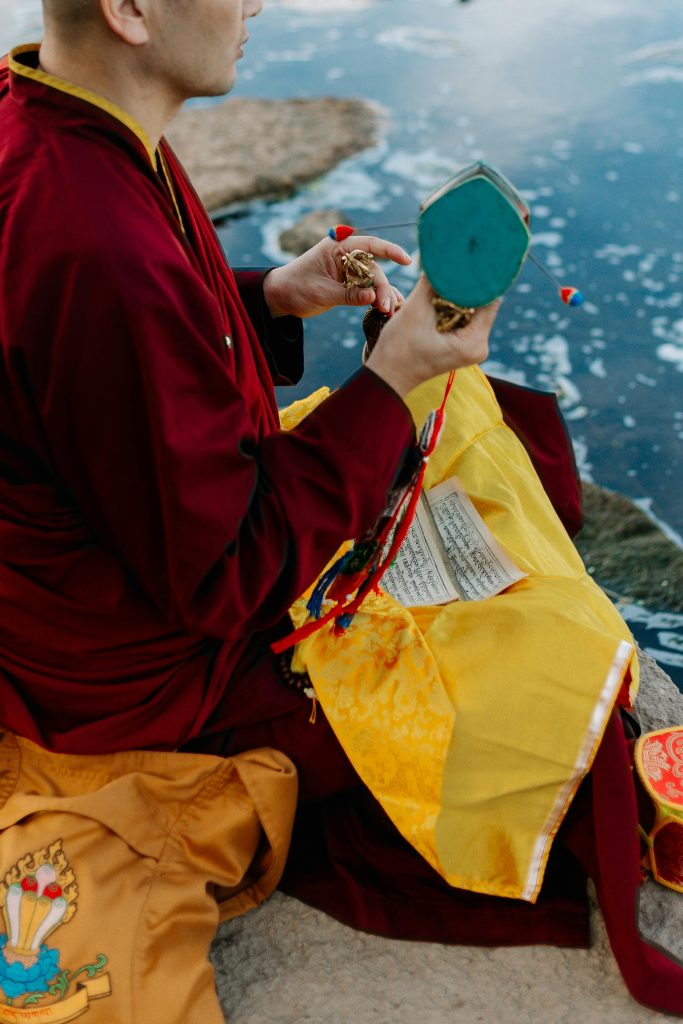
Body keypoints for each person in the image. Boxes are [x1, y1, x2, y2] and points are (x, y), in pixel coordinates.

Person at [0, 0, 681, 1018]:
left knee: (452, 483)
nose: (258, 2)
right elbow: (231, 575)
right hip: (158, 686)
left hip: (117, 581)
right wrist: (396, 379)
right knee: (523, 698)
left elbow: (126, 345)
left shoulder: (46, 124)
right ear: (131, 11)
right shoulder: (96, 241)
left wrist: (269, 293)